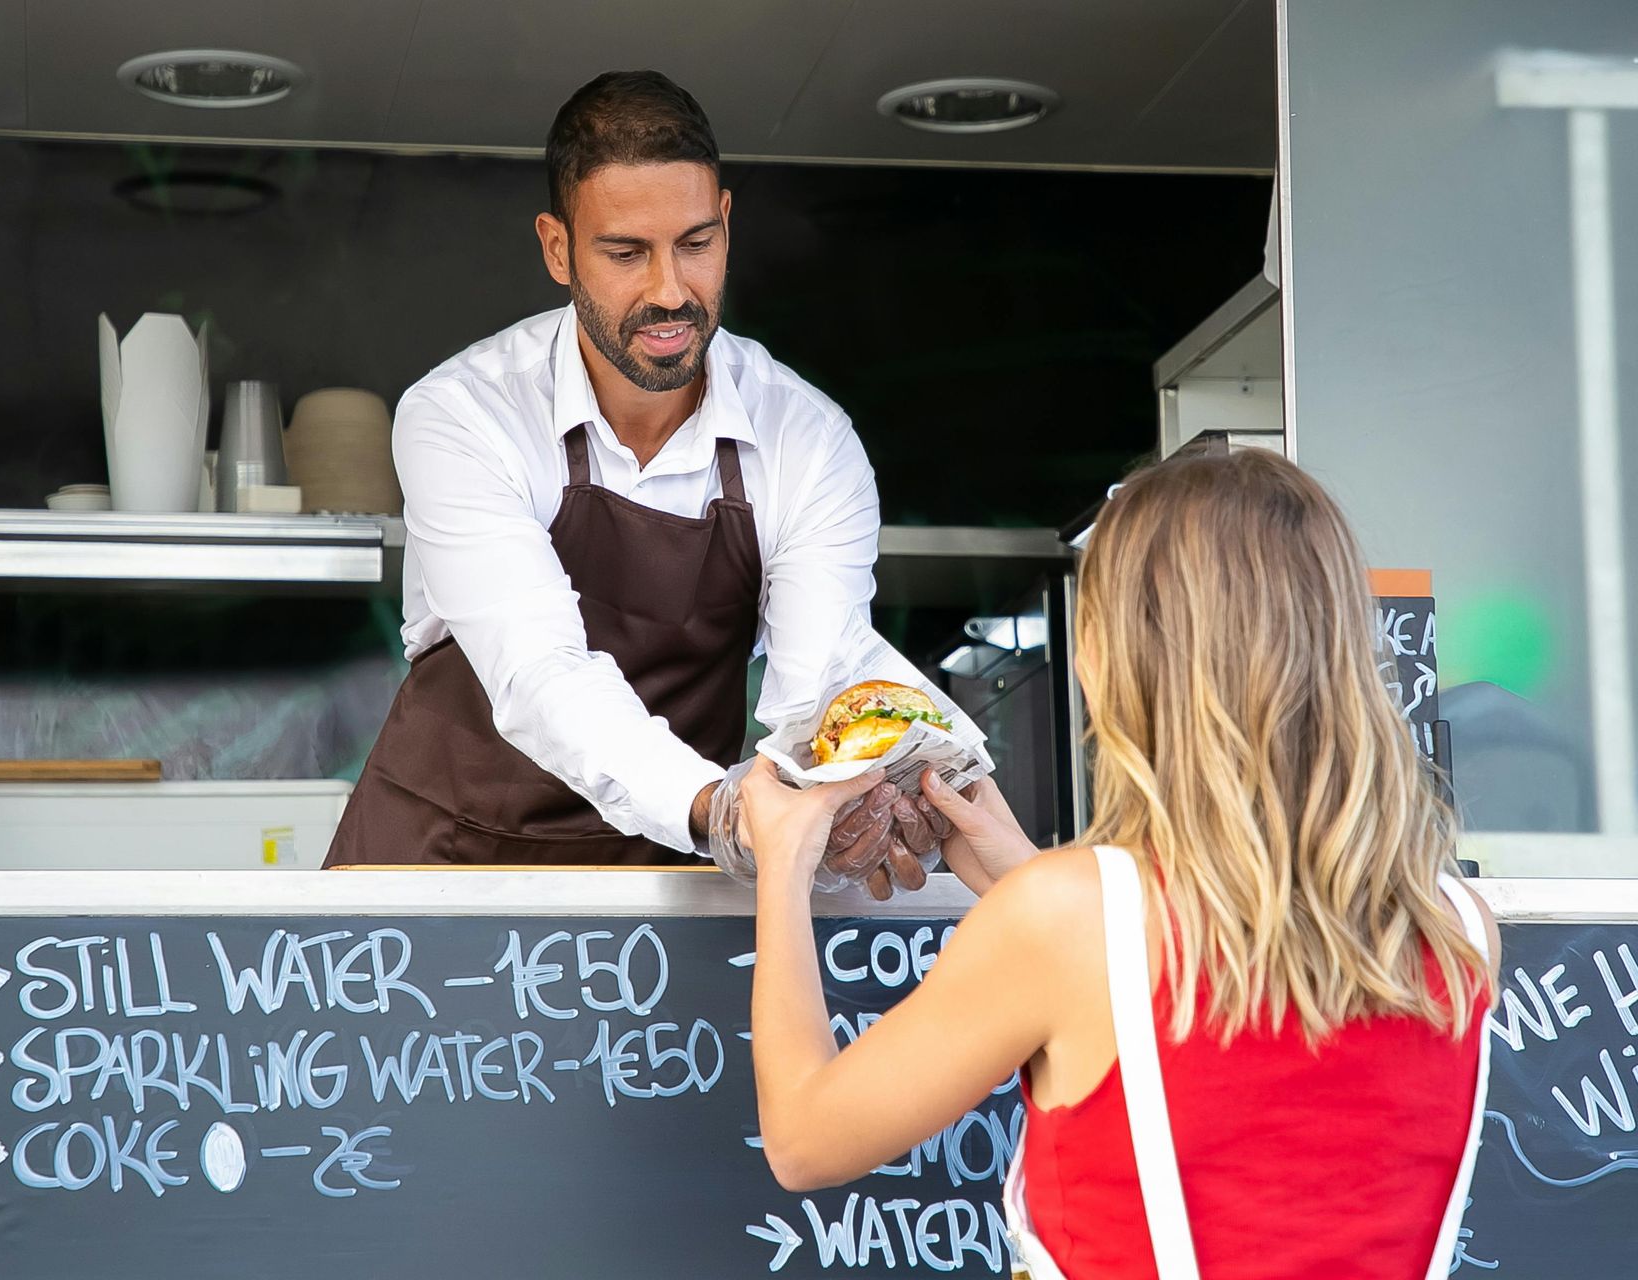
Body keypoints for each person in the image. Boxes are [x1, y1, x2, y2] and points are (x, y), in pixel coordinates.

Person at [740, 447, 1501, 1278]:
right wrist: (1027, 869)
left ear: (1114, 660)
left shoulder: (1062, 923)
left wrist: (782, 861)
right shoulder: (1458, 928)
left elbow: (804, 1142)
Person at [325, 70, 944, 888]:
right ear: (558, 248)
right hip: (441, 868)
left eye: (695, 244)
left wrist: (849, 799)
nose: (670, 292)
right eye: (626, 253)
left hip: (665, 882)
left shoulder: (808, 439)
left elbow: (815, 686)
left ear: (726, 224)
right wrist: (716, 809)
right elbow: (539, 670)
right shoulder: (462, 413)